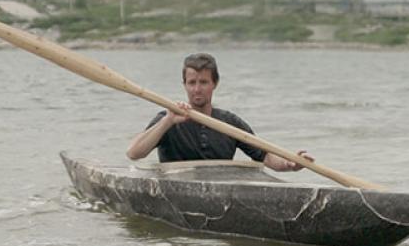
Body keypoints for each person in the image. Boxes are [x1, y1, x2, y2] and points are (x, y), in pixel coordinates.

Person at [126, 52, 313, 172]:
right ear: (184, 85)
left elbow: (266, 156)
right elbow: (134, 153)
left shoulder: (229, 122)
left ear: (214, 83)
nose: (197, 89)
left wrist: (290, 164)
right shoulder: (167, 119)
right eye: (192, 83)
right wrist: (167, 121)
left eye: (203, 82)